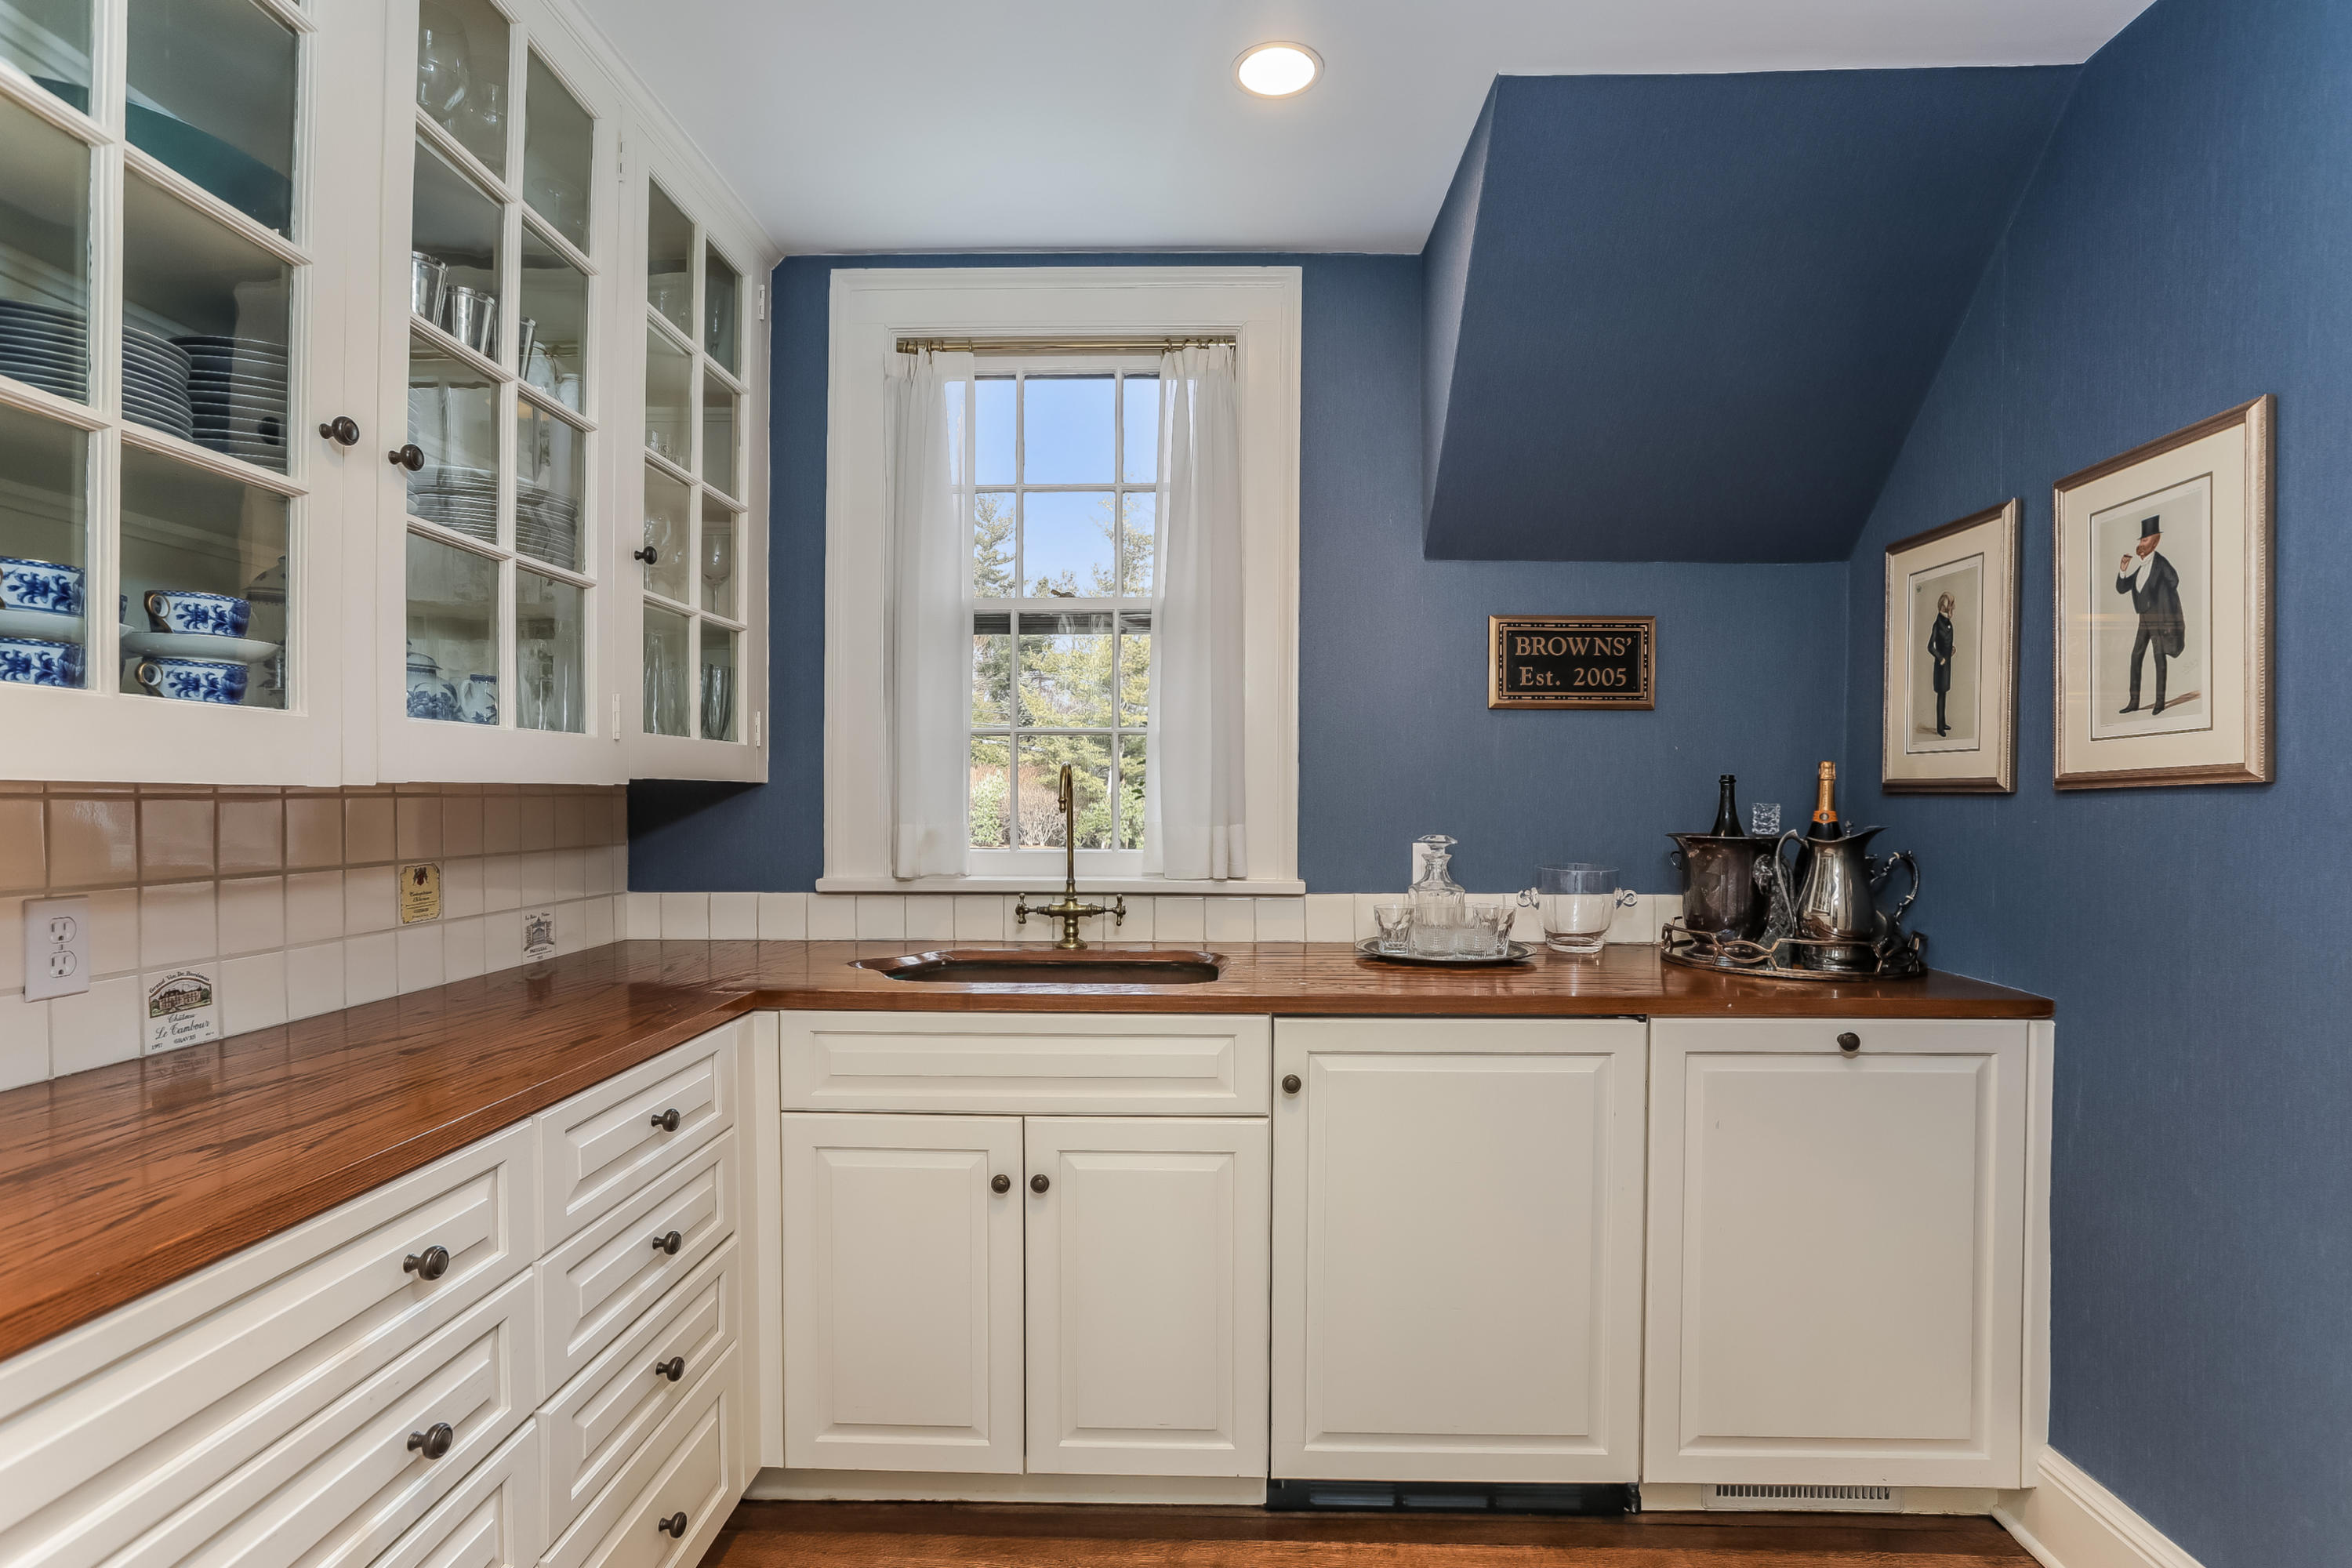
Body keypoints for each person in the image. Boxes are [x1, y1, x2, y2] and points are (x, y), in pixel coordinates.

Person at [2115, 517, 2186, 715]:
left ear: (2154, 542)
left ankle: (2159, 703)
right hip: (2143, 619)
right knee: (2136, 656)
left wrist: (2162, 602)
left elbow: (2174, 581)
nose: (2140, 545)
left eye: (2144, 541)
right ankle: (2134, 702)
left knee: (2158, 657)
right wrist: (2123, 569)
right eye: (2140, 541)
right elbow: (2122, 588)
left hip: (2158, 618)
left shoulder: (2161, 563)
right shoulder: (2141, 567)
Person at [1926, 592, 1955, 736]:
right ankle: (1939, 727)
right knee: (1941, 696)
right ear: (1944, 608)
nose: (1952, 610)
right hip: (1941, 667)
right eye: (1950, 607)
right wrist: (1940, 658)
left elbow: (1947, 642)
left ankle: (1943, 723)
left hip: (1947, 666)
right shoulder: (1937, 625)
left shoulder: (1948, 623)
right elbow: (1930, 646)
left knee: (1945, 695)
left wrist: (1952, 649)